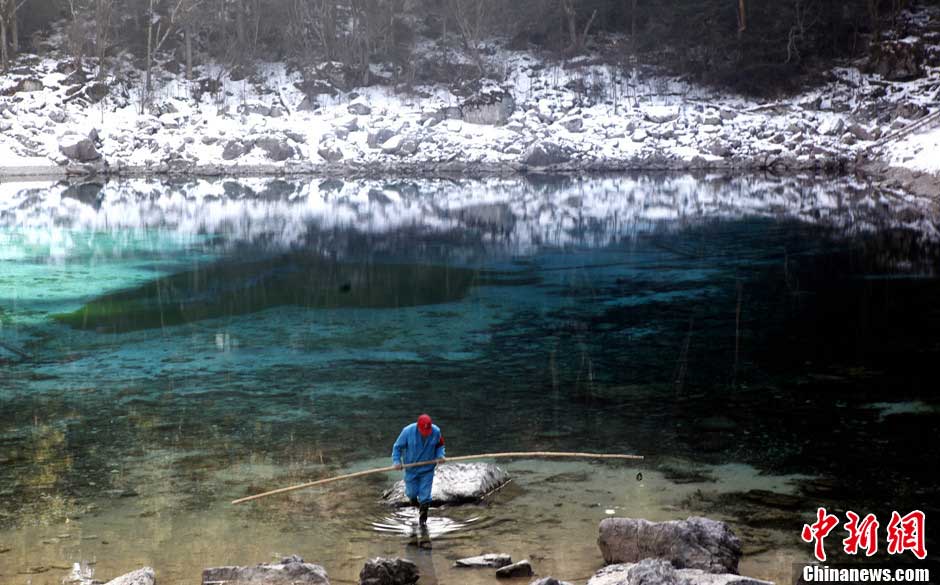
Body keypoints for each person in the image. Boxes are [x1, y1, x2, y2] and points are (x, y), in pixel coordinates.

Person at [392, 414, 445, 527]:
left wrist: (440, 456)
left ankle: (423, 519)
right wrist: (397, 461)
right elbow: (397, 447)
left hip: (427, 469)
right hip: (411, 469)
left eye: (427, 430)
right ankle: (415, 503)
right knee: (411, 493)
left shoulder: (436, 431)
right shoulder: (407, 431)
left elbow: (440, 445)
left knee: (425, 496)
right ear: (418, 426)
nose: (426, 433)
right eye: (423, 430)